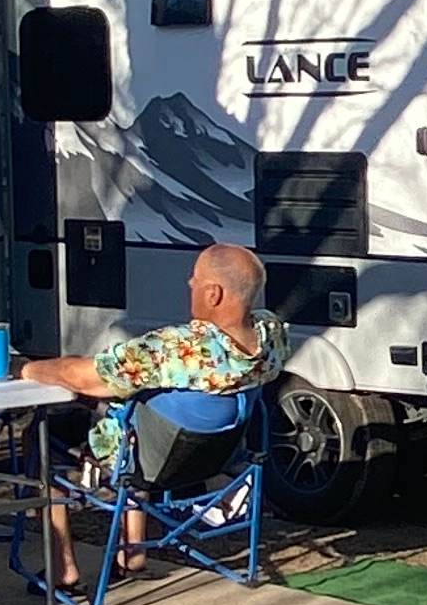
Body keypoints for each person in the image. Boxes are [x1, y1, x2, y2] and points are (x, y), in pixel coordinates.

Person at [30, 240, 285, 585]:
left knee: (44, 435)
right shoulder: (271, 335)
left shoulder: (175, 348)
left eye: (195, 278)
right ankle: (133, 552)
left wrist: (28, 370)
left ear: (213, 294)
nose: (189, 284)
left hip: (149, 460)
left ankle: (63, 568)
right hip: (213, 461)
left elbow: (80, 378)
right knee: (147, 419)